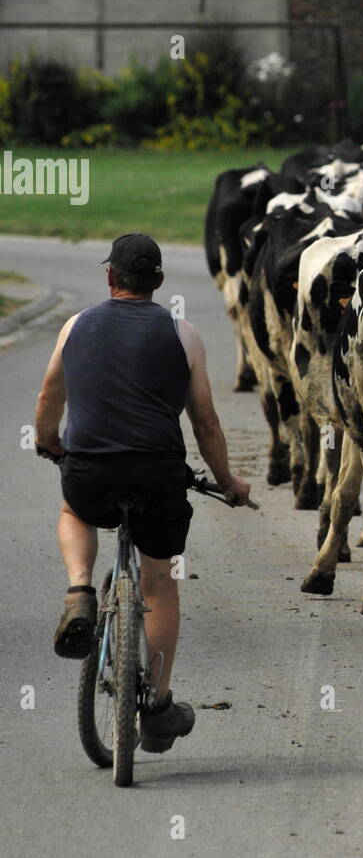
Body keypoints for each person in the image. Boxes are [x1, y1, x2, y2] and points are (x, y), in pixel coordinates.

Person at [34, 233, 250, 753]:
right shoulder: (183, 333)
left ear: (110, 278)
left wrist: (50, 444)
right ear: (158, 281)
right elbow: (207, 424)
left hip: (90, 470)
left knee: (74, 509)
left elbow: (49, 395)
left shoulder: (75, 326)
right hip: (158, 474)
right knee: (159, 584)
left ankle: (80, 590)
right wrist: (228, 483)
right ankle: (157, 707)